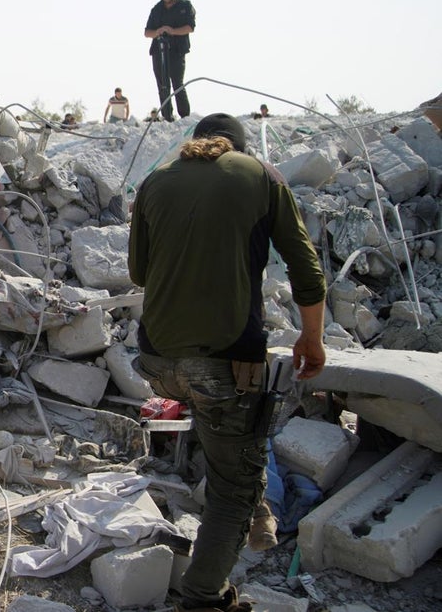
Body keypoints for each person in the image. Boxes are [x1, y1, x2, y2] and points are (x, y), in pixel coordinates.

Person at [128, 113, 326, 612]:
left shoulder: (156, 180)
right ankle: (202, 600)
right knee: (234, 489)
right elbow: (306, 268)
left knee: (230, 449)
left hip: (156, 361)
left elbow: (137, 272)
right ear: (237, 148)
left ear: (195, 145)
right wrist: (313, 339)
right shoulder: (262, 176)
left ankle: (250, 502)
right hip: (225, 364)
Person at [144, 0, 196, 122]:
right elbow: (147, 32)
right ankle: (167, 117)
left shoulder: (185, 6)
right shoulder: (156, 9)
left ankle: (185, 117)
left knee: (177, 83)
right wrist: (158, 31)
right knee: (162, 85)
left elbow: (190, 27)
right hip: (158, 51)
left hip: (177, 50)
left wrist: (172, 31)